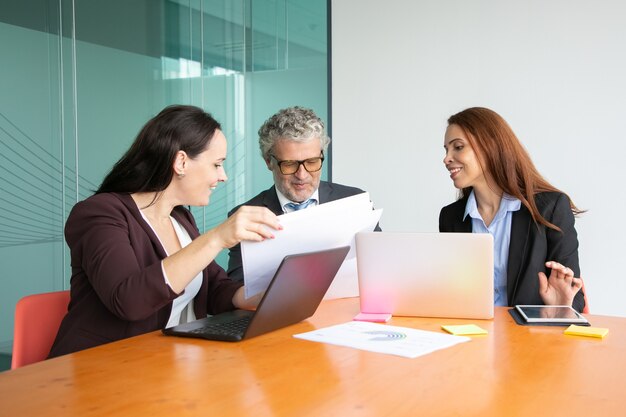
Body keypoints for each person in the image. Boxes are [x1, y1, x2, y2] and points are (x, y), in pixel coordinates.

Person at [49, 105, 281, 357]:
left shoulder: (180, 217)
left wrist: (260, 297)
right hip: (102, 367)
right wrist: (216, 238)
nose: (223, 176)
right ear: (181, 161)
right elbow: (129, 300)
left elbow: (213, 287)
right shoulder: (99, 214)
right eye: (216, 164)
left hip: (169, 363)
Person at [439, 107, 586, 312]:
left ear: (489, 147)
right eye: (446, 149)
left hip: (528, 340)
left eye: (458, 147)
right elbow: (450, 293)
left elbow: (577, 300)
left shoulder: (550, 208)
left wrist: (562, 305)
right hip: (471, 337)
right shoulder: (451, 217)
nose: (447, 158)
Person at [227, 106, 379, 283]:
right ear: (269, 161)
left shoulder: (355, 202)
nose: (302, 175)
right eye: (290, 164)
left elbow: (382, 265)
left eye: (312, 162)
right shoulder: (245, 217)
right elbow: (237, 287)